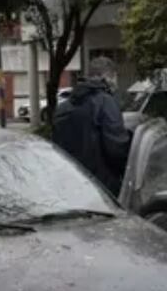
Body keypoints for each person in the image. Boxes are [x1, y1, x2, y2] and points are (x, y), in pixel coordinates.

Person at [52, 56, 132, 194]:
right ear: (107, 77)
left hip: (69, 188)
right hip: (102, 191)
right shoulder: (105, 102)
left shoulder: (63, 108)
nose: (117, 85)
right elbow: (117, 148)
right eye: (115, 78)